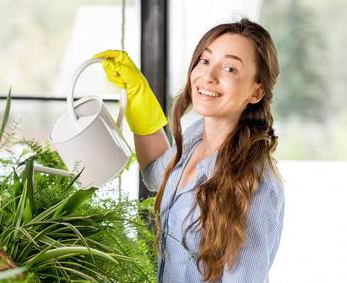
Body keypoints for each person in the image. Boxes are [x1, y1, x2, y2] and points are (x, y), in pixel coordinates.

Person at [94, 18, 285, 283]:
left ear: (256, 91)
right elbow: (155, 174)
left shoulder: (255, 185)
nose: (208, 76)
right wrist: (139, 96)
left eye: (229, 69)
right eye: (205, 61)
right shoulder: (196, 135)